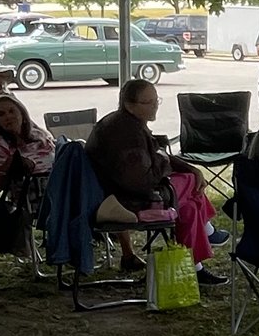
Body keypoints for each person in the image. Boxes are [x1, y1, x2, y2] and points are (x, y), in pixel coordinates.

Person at [88, 77, 220, 277]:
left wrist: (190, 168)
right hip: (123, 202)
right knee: (189, 185)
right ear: (129, 105)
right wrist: (166, 164)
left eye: (156, 101)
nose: (154, 107)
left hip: (123, 193)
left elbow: (158, 155)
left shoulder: (130, 123)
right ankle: (206, 235)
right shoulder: (126, 133)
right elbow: (141, 181)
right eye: (148, 102)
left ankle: (196, 267)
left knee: (189, 205)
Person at [0, 92, 56, 197]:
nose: (8, 117)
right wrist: (10, 164)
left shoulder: (40, 136)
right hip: (31, 201)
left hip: (59, 190)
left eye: (12, 111)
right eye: (1, 114)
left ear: (22, 114)